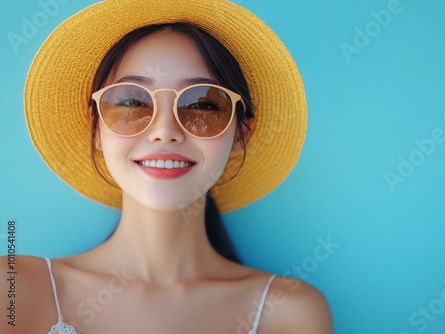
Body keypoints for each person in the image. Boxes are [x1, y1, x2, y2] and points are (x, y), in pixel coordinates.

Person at [1, 0, 333, 333]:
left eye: (202, 104)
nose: (164, 131)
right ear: (96, 127)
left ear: (240, 135)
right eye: (132, 101)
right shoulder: (12, 290)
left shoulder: (290, 314)